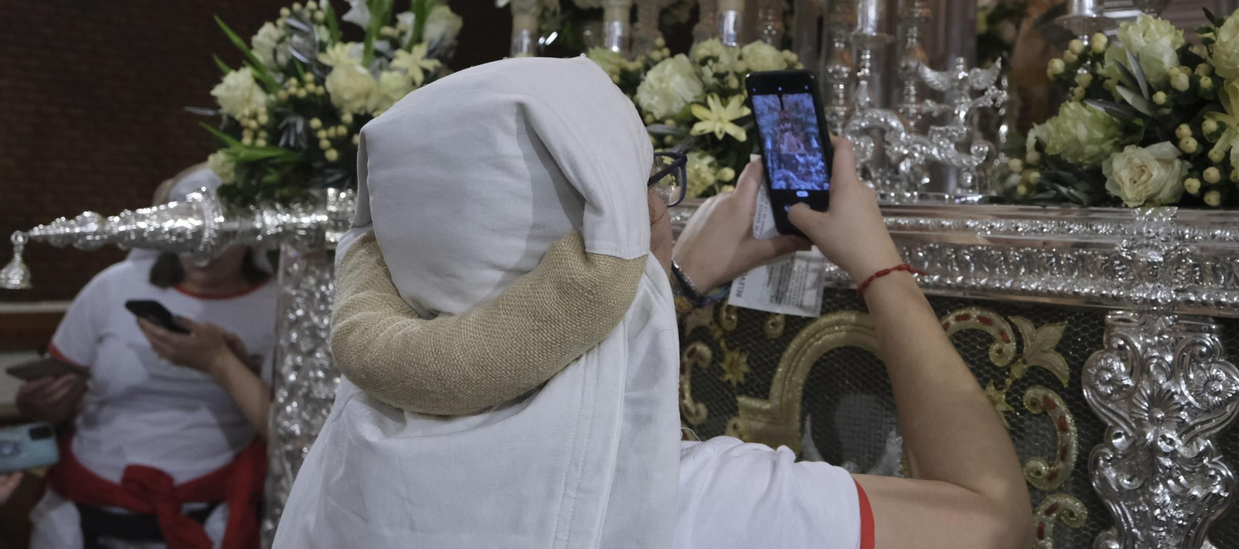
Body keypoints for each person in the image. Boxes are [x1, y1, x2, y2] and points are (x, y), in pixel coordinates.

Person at [273, 57, 1030, 549]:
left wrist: (671, 278)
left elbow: (511, 346)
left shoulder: (350, 447)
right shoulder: (695, 507)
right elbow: (994, 521)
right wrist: (878, 265)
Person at [20, 167, 278, 549]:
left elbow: (290, 428)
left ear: (249, 234)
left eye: (220, 236)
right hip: (83, 504)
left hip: (209, 511)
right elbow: (42, 403)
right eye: (186, 235)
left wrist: (221, 363)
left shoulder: (278, 303)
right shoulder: (113, 287)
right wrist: (42, 402)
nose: (203, 254)